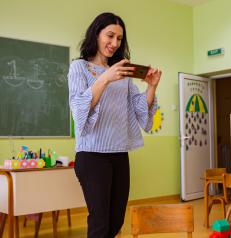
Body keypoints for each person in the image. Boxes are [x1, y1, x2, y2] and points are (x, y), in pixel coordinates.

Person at [68, 12, 161, 238]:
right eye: (109, 36)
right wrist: (105, 77)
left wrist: (151, 88)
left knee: (116, 220)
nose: (114, 43)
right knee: (99, 222)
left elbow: (140, 111)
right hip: (92, 155)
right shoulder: (79, 68)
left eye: (119, 39)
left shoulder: (123, 73)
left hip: (119, 153)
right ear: (96, 34)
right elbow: (79, 109)